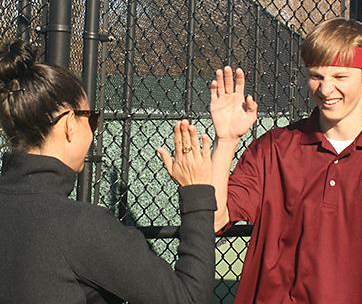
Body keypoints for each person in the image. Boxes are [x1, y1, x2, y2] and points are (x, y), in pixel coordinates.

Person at [0, 40, 216, 304]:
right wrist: (198, 195)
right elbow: (189, 299)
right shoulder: (79, 226)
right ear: (69, 124)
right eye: (91, 118)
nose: (94, 129)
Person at [209, 18, 362, 304]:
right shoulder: (275, 148)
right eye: (317, 76)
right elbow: (213, 219)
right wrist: (225, 141)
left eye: (340, 77)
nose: (325, 90)